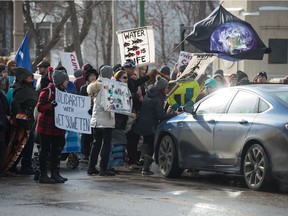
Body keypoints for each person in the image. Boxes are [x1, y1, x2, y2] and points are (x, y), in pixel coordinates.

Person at [133, 75, 178, 175]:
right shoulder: (158, 99)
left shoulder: (149, 94)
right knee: (151, 146)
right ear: (162, 88)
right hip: (151, 125)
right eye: (166, 88)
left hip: (142, 123)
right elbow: (160, 115)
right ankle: (145, 168)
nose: (167, 89)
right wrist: (174, 114)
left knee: (146, 141)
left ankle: (142, 158)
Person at [36, 70, 69, 183]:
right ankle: (43, 174)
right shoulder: (47, 91)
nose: (67, 82)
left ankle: (55, 173)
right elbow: (40, 107)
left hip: (58, 127)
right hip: (46, 126)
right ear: (60, 81)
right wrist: (51, 105)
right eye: (66, 81)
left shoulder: (64, 92)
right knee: (44, 151)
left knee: (56, 151)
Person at [123, 60, 157, 168]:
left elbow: (136, 83)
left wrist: (148, 76)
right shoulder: (124, 81)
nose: (134, 71)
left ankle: (133, 160)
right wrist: (137, 96)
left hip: (134, 113)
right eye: (132, 69)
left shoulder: (131, 81)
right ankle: (130, 161)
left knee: (135, 138)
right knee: (131, 139)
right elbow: (127, 96)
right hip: (127, 113)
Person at [86, 65, 116, 176]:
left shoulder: (96, 86)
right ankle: (103, 168)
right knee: (106, 145)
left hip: (96, 120)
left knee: (96, 144)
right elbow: (106, 104)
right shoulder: (107, 86)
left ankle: (91, 167)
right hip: (106, 121)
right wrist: (116, 107)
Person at [10, 68, 38, 174]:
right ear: (23, 78)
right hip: (25, 122)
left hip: (30, 120)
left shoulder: (29, 88)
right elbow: (15, 106)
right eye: (28, 76)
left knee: (28, 145)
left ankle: (26, 165)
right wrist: (23, 120)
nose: (31, 77)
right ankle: (23, 166)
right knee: (22, 146)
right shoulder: (21, 89)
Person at [107, 70, 130, 172]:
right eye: (124, 77)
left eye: (127, 77)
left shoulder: (124, 88)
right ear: (118, 78)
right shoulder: (115, 88)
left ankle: (115, 164)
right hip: (116, 120)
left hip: (121, 120)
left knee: (118, 141)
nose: (127, 79)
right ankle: (116, 164)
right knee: (118, 142)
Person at [79, 68, 98, 161]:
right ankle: (85, 153)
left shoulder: (98, 87)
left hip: (96, 113)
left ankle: (92, 153)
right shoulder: (83, 88)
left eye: (94, 75)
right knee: (86, 135)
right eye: (91, 76)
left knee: (94, 135)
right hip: (86, 113)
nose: (93, 77)